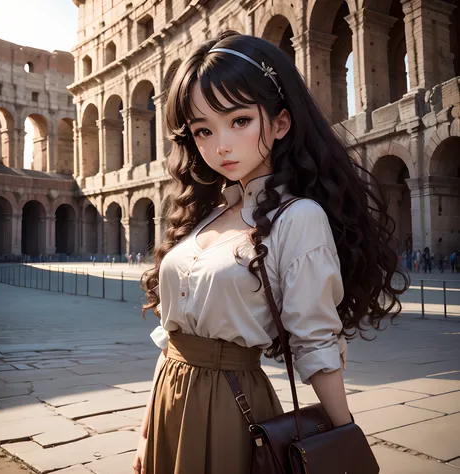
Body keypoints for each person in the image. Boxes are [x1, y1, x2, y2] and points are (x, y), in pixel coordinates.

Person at [134, 32, 409, 474]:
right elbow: (172, 343)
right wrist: (149, 433)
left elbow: (315, 341)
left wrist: (347, 447)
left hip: (229, 406)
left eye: (239, 120)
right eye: (203, 129)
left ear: (280, 124)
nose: (220, 145)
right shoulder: (206, 214)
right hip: (169, 402)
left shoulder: (298, 217)